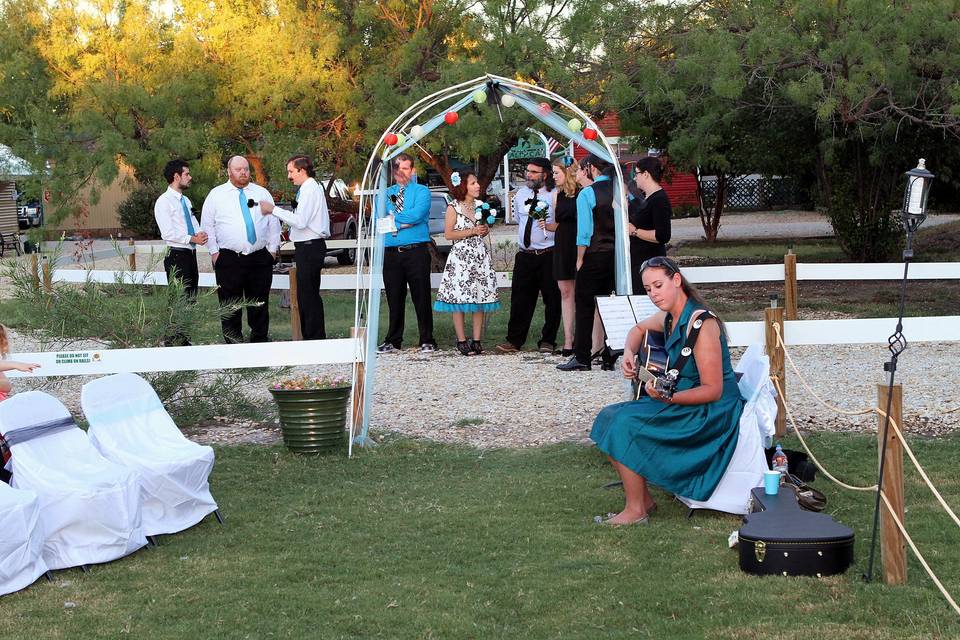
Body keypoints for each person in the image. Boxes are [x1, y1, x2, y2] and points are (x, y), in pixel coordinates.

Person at [590, 256, 744, 525]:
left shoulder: (702, 324)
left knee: (624, 422)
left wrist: (668, 396)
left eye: (658, 285)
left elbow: (713, 390)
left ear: (676, 280)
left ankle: (636, 510)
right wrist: (628, 352)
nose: (653, 294)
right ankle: (644, 500)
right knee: (607, 417)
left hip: (709, 412)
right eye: (648, 289)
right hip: (681, 396)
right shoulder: (671, 316)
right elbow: (638, 329)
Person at [201, 155, 281, 344]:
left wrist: (272, 250)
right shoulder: (216, 195)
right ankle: (233, 346)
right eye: (238, 169)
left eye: (246, 168)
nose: (243, 172)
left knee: (259, 304)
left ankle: (259, 343)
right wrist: (214, 252)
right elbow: (208, 225)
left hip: (259, 258)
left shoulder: (262, 193)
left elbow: (273, 223)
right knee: (230, 306)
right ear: (229, 171)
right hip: (228, 258)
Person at [259, 155, 330, 340]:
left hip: (310, 246)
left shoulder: (310, 190)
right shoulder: (307, 189)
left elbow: (300, 221)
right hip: (306, 246)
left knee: (309, 295)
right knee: (306, 294)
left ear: (302, 170)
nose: (289, 176)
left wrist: (273, 209)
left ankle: (314, 339)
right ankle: (312, 337)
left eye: (291, 171)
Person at [558, 155, 618, 372]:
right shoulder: (618, 191)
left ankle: (582, 356)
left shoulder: (587, 194)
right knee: (611, 305)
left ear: (591, 168)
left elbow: (584, 232)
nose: (580, 172)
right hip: (615, 255)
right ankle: (610, 354)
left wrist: (579, 258)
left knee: (584, 305)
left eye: (582, 169)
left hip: (593, 254)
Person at [495, 158, 560, 354]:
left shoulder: (555, 194)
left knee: (552, 299)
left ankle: (548, 340)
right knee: (520, 299)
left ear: (545, 174)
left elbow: (560, 224)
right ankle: (514, 340)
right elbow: (518, 219)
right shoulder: (521, 194)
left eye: (533, 172)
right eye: (528, 171)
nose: (528, 175)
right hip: (525, 254)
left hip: (548, 253)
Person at [432, 171, 500, 355]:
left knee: (479, 297)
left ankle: (476, 340)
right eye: (473, 183)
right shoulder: (453, 207)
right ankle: (461, 340)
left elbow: (482, 230)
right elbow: (448, 234)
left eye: (477, 182)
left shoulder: (480, 206)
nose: (478, 186)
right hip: (461, 257)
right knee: (460, 298)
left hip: (479, 255)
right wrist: (471, 231)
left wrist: (483, 230)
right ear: (464, 186)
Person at [378, 153, 436, 353]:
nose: (400, 172)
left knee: (421, 296)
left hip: (415, 251)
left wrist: (395, 220)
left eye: (405, 168)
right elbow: (382, 216)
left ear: (412, 170)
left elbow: (417, 214)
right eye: (397, 168)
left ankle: (427, 339)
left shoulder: (422, 192)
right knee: (394, 297)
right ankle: (393, 340)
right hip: (392, 253)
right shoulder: (386, 193)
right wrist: (403, 222)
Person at [154, 159, 207, 346]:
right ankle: (172, 341)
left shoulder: (185, 200)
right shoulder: (163, 202)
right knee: (179, 299)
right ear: (176, 176)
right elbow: (167, 233)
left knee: (191, 298)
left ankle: (183, 339)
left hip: (190, 255)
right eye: (187, 174)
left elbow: (192, 222)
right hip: (176, 255)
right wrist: (193, 239)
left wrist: (200, 232)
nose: (190, 177)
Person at [547, 157, 579, 357]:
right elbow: (557, 224)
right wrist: (543, 224)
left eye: (556, 173)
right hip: (562, 244)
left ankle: (586, 339)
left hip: (578, 243)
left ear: (567, 173)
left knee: (582, 292)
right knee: (565, 291)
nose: (553, 176)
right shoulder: (556, 195)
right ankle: (568, 339)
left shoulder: (583, 193)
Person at [628, 156, 672, 295]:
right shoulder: (644, 197)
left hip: (650, 264)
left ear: (646, 174)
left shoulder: (659, 200)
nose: (635, 178)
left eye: (637, 173)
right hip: (638, 262)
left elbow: (663, 235)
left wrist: (635, 231)